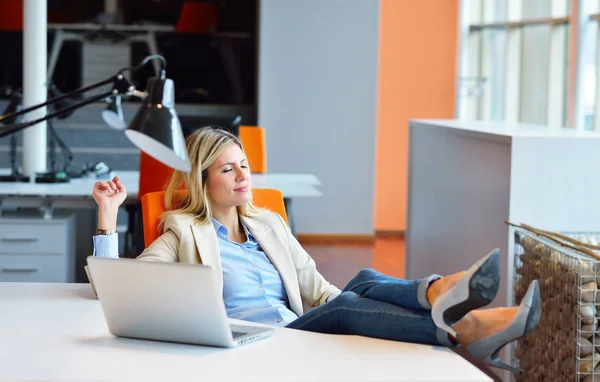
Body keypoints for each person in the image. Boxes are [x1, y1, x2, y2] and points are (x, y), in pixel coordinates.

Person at [91, 127, 540, 374]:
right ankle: (467, 324)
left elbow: (317, 290)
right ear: (203, 181)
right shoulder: (183, 232)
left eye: (244, 165)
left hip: (296, 327)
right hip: (252, 343)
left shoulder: (268, 222)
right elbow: (118, 289)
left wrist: (368, 298)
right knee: (348, 304)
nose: (243, 176)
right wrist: (108, 215)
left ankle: (441, 294)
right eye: (228, 169)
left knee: (360, 281)